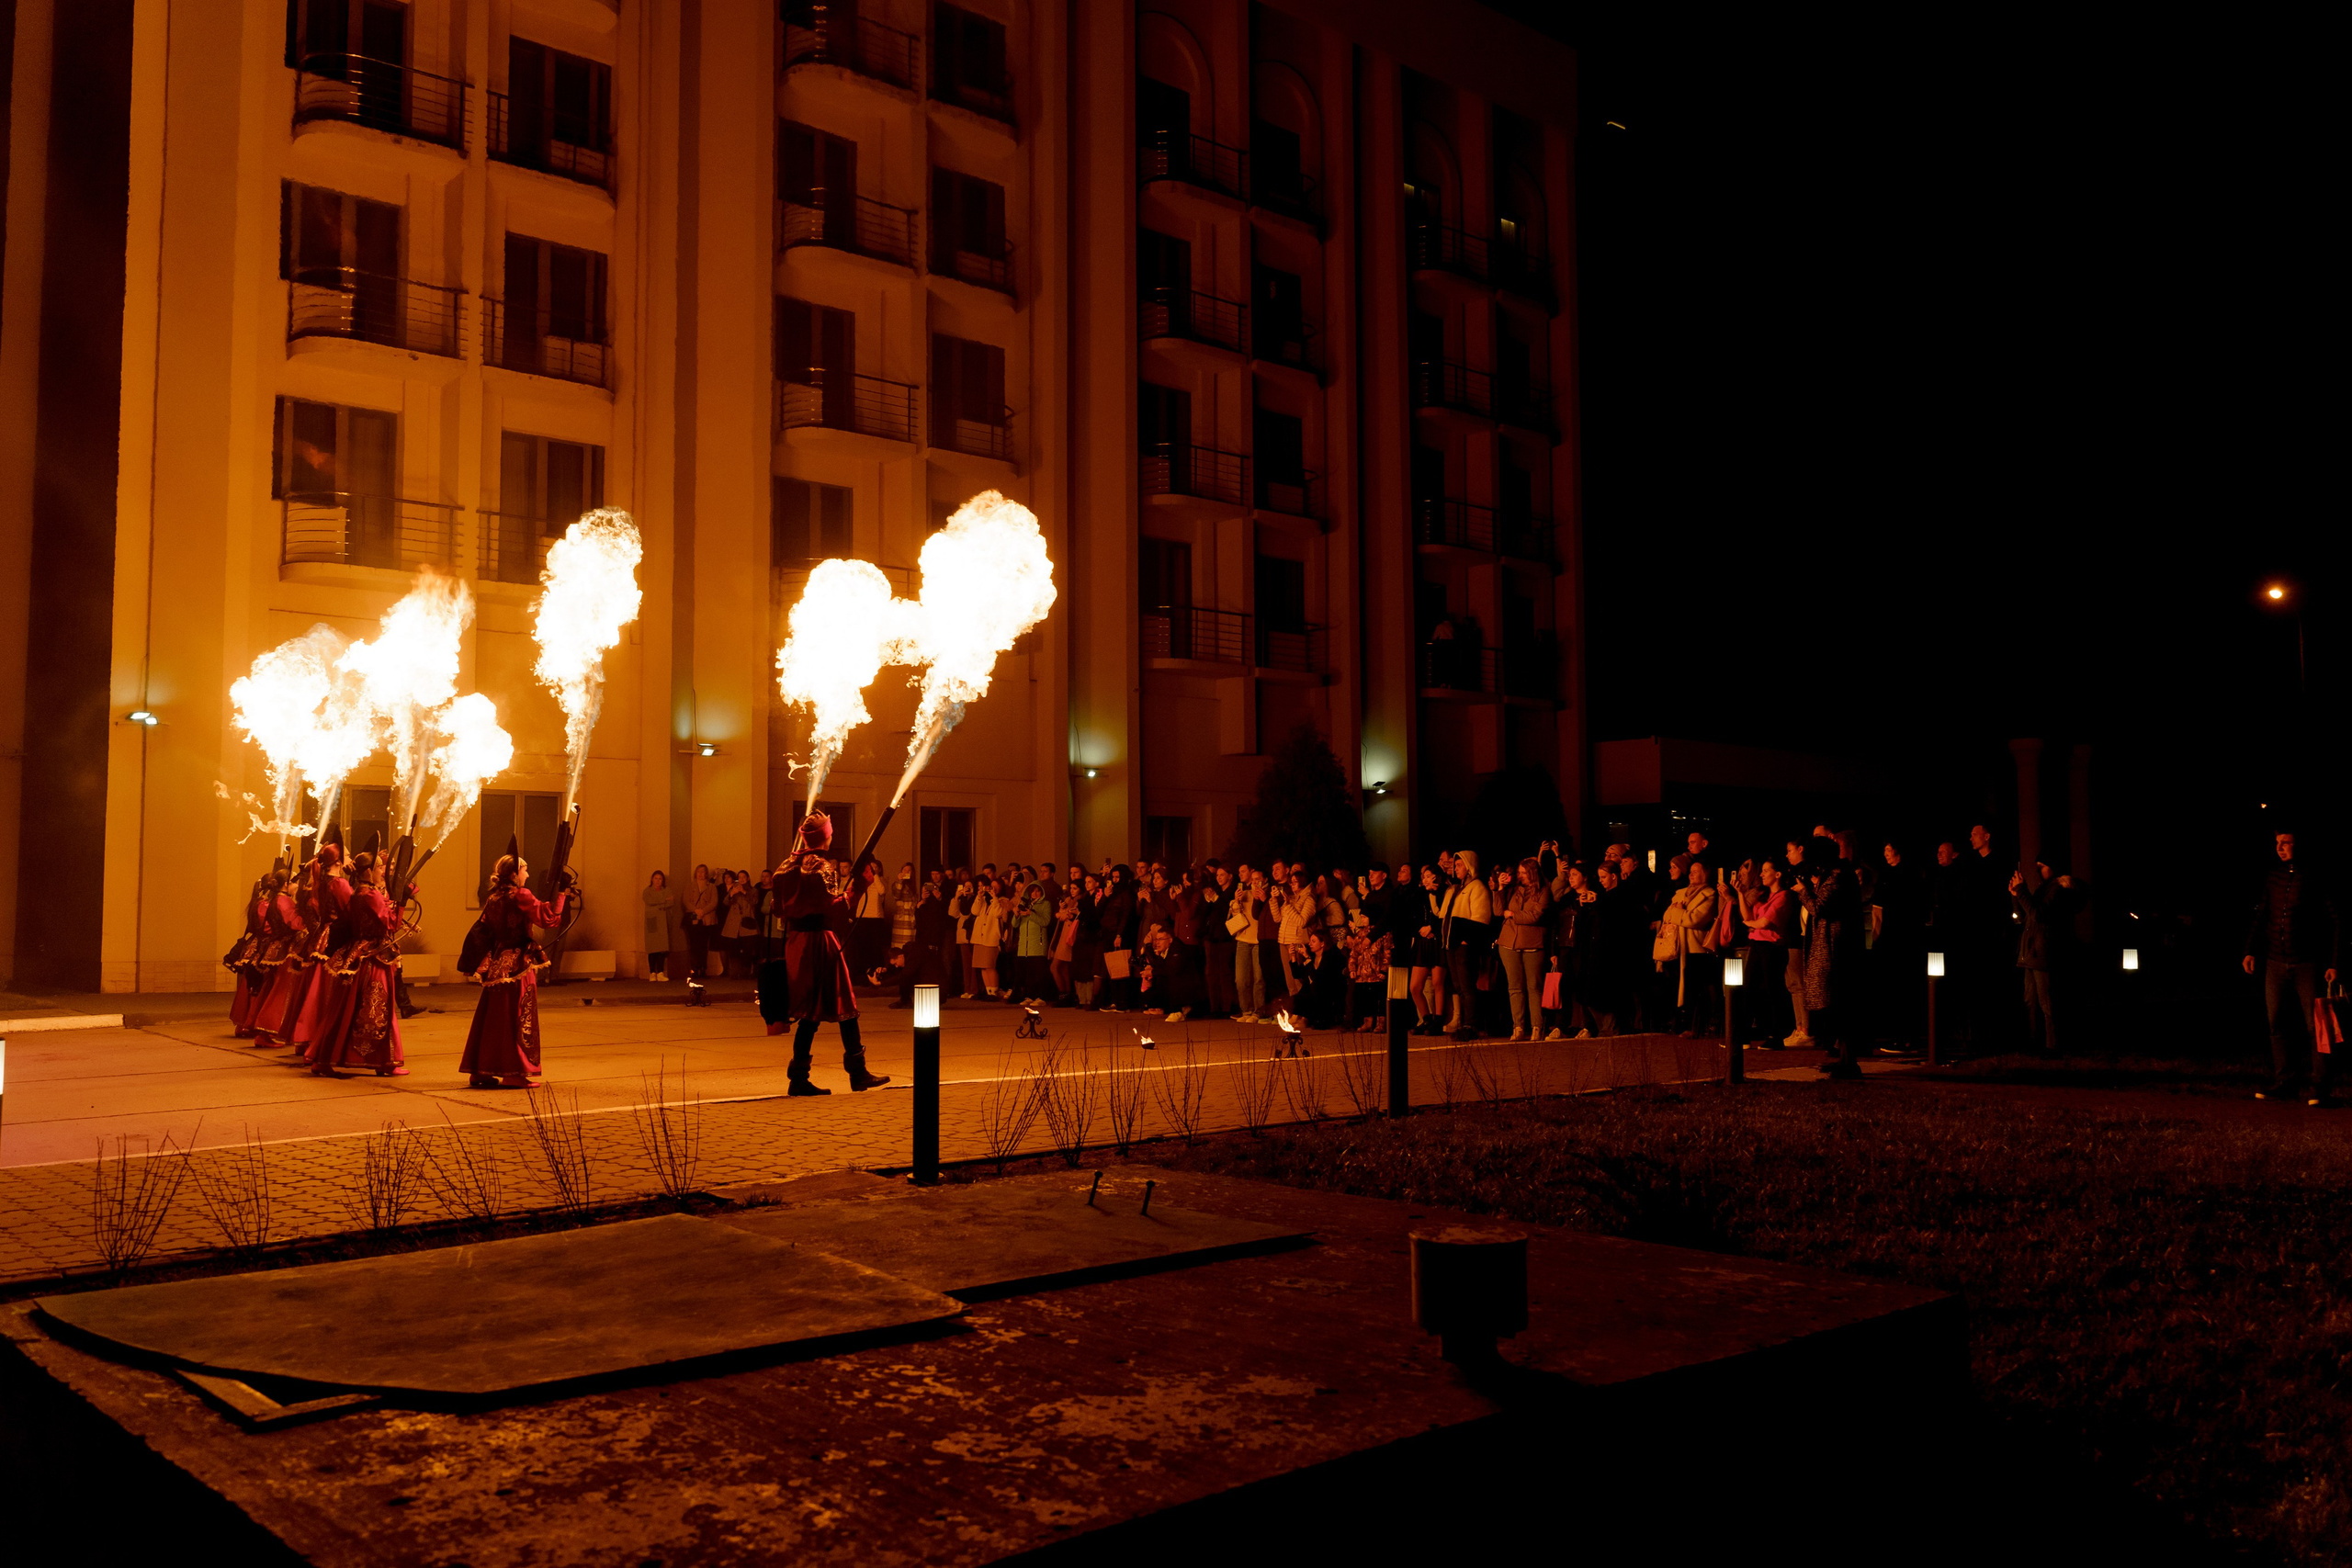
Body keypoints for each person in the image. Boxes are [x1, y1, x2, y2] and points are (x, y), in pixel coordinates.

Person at [756, 812, 889, 1096]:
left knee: (810, 1011)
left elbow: (779, 910)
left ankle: (800, 1078)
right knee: (844, 1003)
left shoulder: (785, 867)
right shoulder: (821, 866)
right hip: (820, 941)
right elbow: (837, 910)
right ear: (825, 836)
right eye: (830, 831)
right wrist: (859, 886)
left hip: (796, 942)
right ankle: (856, 1072)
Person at [2243, 830, 2340, 1105]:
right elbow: (2262, 912)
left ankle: (2320, 1088)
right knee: (2277, 1023)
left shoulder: (2316, 877)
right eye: (2276, 843)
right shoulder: (2274, 876)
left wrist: (2334, 963)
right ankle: (2286, 1081)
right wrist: (2250, 949)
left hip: (2307, 963)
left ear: (2300, 844)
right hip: (2275, 962)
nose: (2279, 848)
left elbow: (2336, 920)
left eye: (2286, 843)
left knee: (2316, 1027)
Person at [460, 847, 570, 1089]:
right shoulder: (521, 895)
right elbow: (549, 919)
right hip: (519, 964)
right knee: (518, 1015)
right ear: (514, 874)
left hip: (497, 964)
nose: (527, 875)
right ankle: (514, 1072)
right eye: (525, 869)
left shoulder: (493, 898)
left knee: (492, 1017)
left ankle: (480, 1070)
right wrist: (561, 893)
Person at [307, 850, 408, 1077]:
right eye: (380, 868)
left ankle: (324, 1057)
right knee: (379, 1009)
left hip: (358, 954)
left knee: (344, 1009)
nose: (382, 872)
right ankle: (385, 1061)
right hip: (374, 957)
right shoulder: (370, 895)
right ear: (369, 871)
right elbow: (391, 924)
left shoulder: (359, 894)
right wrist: (401, 903)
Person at [1796, 852, 1866, 1080]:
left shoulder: (1836, 876)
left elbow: (1821, 907)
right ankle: (1845, 1060)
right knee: (1839, 1006)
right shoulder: (1838, 874)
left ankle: (1849, 1062)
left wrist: (1804, 892)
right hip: (1836, 947)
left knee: (1841, 1004)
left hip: (1836, 948)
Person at [2011, 863, 2075, 1055]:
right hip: (2031, 951)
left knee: (2046, 1001)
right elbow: (2024, 916)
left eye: (2043, 866)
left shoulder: (2058, 889)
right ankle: (2033, 1043)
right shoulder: (2042, 889)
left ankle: (2052, 1045)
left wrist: (2021, 890)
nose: (2039, 870)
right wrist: (2016, 895)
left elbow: (2038, 915)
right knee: (2029, 1000)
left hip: (2042, 951)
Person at [1660, 861, 1720, 1035]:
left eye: (1696, 871)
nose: (1691, 874)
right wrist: (1681, 913)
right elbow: (1666, 915)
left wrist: (1678, 912)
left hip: (1696, 948)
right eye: (1691, 871)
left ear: (1706, 874)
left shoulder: (1709, 895)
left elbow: (1695, 920)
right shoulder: (1680, 893)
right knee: (1680, 986)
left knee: (1697, 987)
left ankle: (1698, 1026)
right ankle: (1683, 1023)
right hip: (1677, 946)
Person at [225, 869, 284, 1038]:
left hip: (255, 947)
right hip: (260, 948)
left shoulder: (258, 902)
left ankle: (247, 1023)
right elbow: (267, 928)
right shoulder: (264, 905)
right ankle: (249, 1023)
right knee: (256, 987)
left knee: (250, 987)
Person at [1496, 857, 1551, 1042]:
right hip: (1509, 942)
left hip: (1532, 943)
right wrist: (1500, 889)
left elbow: (1536, 915)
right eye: (1518, 872)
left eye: (1523, 872)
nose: (1519, 876)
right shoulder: (1514, 890)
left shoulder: (1544, 891)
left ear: (1532, 873)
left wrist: (1513, 915)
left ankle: (1537, 1027)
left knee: (1534, 986)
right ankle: (1518, 1027)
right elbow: (1497, 911)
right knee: (1515, 987)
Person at [1442, 850, 1493, 1040]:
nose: (1456, 869)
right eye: (1455, 866)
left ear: (1470, 866)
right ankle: (1465, 1023)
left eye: (1460, 865)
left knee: (1467, 986)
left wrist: (1467, 939)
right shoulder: (1459, 888)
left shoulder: (1477, 887)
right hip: (1452, 944)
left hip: (1464, 945)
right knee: (1459, 987)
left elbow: (1481, 918)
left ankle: (1471, 1024)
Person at [1408, 865, 1450, 1035]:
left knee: (1437, 983)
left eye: (1429, 876)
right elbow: (1412, 914)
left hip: (1437, 941)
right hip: (1422, 941)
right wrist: (1420, 929)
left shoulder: (1444, 892)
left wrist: (1431, 927)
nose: (1425, 880)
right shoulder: (1419, 894)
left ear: (1437, 877)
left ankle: (1438, 1021)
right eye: (1423, 876)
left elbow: (1441, 915)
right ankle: (1426, 1018)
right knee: (1414, 987)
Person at [1136, 924, 1201, 1021]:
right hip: (1178, 985)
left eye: (1161, 939)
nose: (1157, 943)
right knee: (1148, 996)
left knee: (1169, 980)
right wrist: (1148, 947)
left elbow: (1172, 970)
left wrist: (1152, 972)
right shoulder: (1166, 950)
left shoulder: (1177, 948)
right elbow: (1158, 964)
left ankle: (1177, 1010)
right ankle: (1176, 1007)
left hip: (1188, 987)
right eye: (1156, 939)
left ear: (1170, 940)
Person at [1344, 909, 1395, 1032]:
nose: (1362, 920)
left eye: (1364, 917)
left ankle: (1380, 1023)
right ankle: (1368, 1021)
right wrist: (1352, 968)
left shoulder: (1384, 934)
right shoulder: (1360, 934)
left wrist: (1383, 970)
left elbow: (1388, 953)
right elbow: (1354, 953)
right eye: (1361, 917)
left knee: (1379, 999)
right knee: (1365, 999)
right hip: (1362, 974)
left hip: (1376, 973)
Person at [1199, 863, 1238, 1018]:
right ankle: (1214, 1007)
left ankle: (1227, 1007)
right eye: (1217, 875)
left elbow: (1224, 908)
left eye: (1222, 875)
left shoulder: (1232, 892)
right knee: (1211, 973)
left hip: (1225, 937)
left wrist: (1215, 898)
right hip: (1212, 936)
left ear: (1230, 876)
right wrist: (1209, 900)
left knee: (1224, 972)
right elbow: (1207, 913)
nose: (1219, 878)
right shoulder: (1217, 892)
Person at [1227, 869, 1267, 1022]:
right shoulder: (1245, 893)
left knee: (1258, 978)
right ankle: (1246, 1010)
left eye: (1259, 879)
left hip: (1258, 940)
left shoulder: (1266, 894)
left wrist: (1262, 898)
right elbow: (1236, 915)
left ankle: (1259, 1011)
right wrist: (1236, 901)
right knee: (1241, 979)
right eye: (1253, 879)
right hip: (1243, 939)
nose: (1255, 882)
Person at [1295, 924, 1349, 1030]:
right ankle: (1303, 1017)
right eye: (1310, 941)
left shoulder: (1331, 956)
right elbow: (1297, 974)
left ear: (1322, 943)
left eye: (1313, 941)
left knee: (1313, 989)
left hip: (1329, 990)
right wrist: (1293, 957)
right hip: (1317, 988)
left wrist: (1307, 958)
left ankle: (1314, 1019)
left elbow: (1319, 978)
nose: (1310, 944)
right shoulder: (1313, 956)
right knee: (1304, 989)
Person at [968, 874, 1005, 998]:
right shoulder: (983, 900)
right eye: (991, 887)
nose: (992, 889)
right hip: (979, 937)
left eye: (995, 887)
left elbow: (999, 913)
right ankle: (988, 991)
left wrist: (994, 897)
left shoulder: (1000, 901)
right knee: (982, 967)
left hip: (991, 938)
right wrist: (979, 896)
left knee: (990, 966)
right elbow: (974, 911)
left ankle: (994, 991)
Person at [683, 863, 718, 980]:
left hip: (706, 919)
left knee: (704, 945)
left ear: (706, 874)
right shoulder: (690, 886)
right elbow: (686, 901)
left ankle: (703, 968)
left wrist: (703, 911)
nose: (700, 874)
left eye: (703, 872)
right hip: (693, 918)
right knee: (693, 945)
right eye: (698, 872)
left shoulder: (711, 887)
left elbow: (714, 902)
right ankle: (694, 968)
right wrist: (696, 910)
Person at [641, 869, 678, 981]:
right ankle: (652, 972)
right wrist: (664, 900)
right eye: (656, 878)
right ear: (652, 879)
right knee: (652, 948)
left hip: (664, 920)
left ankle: (660, 972)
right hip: (652, 920)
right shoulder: (647, 891)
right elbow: (649, 901)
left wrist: (660, 901)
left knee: (662, 948)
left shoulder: (667, 890)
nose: (658, 881)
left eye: (660, 879)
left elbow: (671, 902)